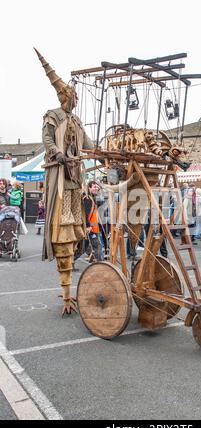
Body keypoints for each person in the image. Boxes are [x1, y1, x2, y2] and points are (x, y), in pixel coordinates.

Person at [35, 48, 94, 315]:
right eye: (73, 96)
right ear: (63, 97)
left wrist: (103, 153)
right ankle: (66, 292)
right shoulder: (53, 115)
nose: (76, 100)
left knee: (73, 233)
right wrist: (57, 153)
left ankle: (70, 290)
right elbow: (47, 140)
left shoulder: (77, 121)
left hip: (75, 180)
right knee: (62, 234)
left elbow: (90, 146)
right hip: (60, 178)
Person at [83, 181, 104, 262]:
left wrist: (99, 190)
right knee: (98, 246)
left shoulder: (92, 198)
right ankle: (100, 264)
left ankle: (71, 262)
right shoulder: (88, 199)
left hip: (93, 228)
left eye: (97, 187)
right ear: (89, 188)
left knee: (83, 247)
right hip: (91, 229)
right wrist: (88, 226)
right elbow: (85, 214)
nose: (96, 188)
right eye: (94, 187)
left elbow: (102, 202)